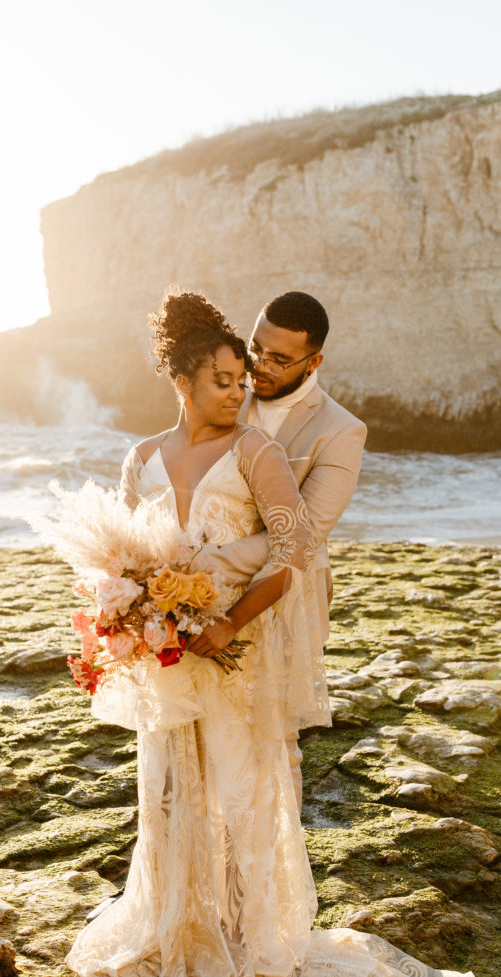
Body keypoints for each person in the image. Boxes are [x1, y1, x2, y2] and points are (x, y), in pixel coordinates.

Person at [65, 290, 492, 977]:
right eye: (232, 373)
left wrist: (216, 608)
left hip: (244, 637)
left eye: (257, 369)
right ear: (183, 382)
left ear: (311, 361)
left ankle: (251, 933)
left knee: (246, 783)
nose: (248, 381)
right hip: (169, 652)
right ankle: (175, 924)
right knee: (168, 789)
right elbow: (120, 554)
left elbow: (298, 542)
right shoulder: (142, 455)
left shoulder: (286, 441)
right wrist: (128, 614)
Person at [192, 291, 367, 809]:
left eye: (279, 359)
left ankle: (276, 875)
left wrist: (208, 568)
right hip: (200, 597)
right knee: (202, 729)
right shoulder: (222, 393)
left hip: (282, 597)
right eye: (256, 350)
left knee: (272, 743)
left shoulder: (339, 430)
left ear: (313, 362)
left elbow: (303, 535)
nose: (260, 367)